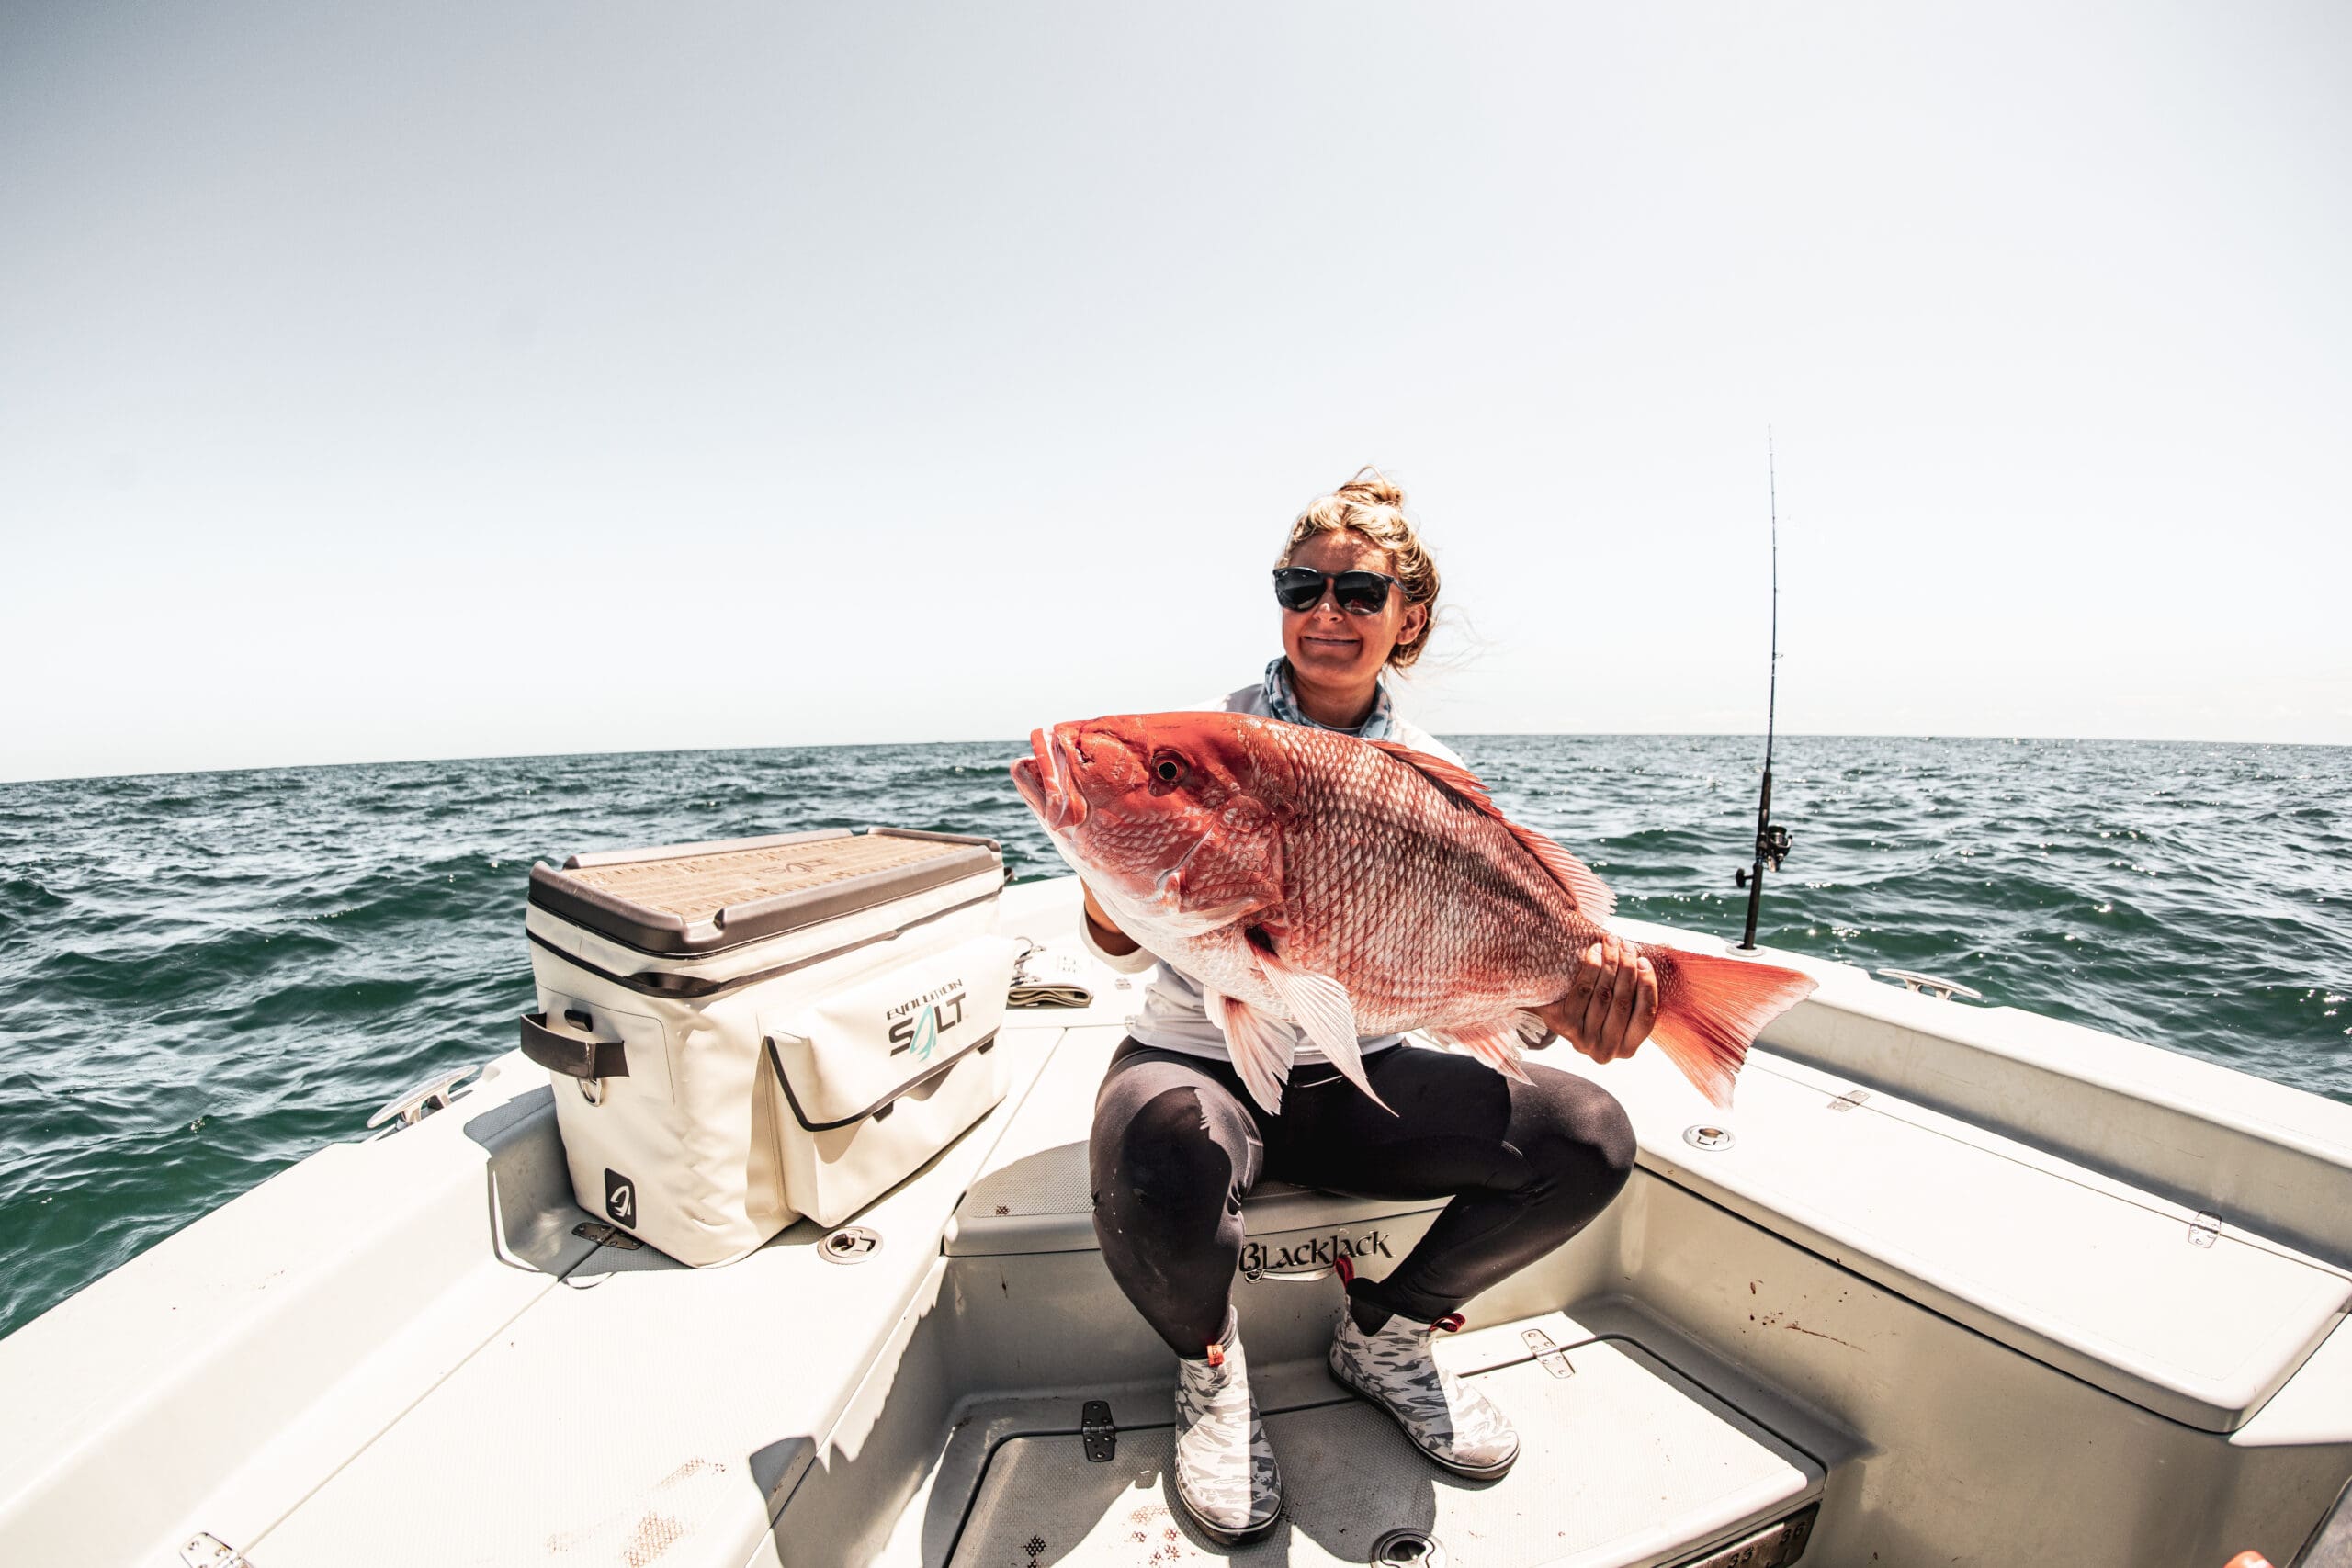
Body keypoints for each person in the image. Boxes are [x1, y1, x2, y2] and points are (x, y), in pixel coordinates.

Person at [1076, 469, 1658, 1545]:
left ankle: (1384, 1336)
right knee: (1160, 1151)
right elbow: (1116, 943)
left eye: (1358, 592)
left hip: (1360, 1075)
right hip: (1199, 1060)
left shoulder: (1432, 773)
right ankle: (1210, 1370)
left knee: (1589, 1138)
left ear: (1408, 618)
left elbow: (1486, 976)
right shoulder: (1210, 744)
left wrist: (1573, 1001)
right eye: (1300, 588)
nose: (1326, 613)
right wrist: (1117, 858)